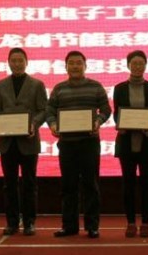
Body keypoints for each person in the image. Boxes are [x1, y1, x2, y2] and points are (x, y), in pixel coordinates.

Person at [46, 50, 111, 239]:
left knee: (91, 184)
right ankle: (69, 226)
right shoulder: (59, 89)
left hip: (89, 143)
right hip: (67, 144)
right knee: (68, 186)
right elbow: (49, 111)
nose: (75, 66)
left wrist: (98, 121)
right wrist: (53, 124)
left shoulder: (96, 86)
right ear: (66, 67)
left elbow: (106, 109)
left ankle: (92, 226)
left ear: (85, 65)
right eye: (72, 63)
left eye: (79, 63)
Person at [0, 48, 48, 236]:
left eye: (20, 60)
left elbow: (43, 110)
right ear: (8, 63)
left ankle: (30, 222)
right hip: (7, 142)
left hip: (28, 141)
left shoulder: (37, 84)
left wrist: (33, 124)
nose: (17, 64)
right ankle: (12, 222)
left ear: (26, 62)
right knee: (9, 184)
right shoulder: (0, 85)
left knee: (29, 184)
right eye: (13, 60)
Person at [112, 50, 148, 238]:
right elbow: (117, 113)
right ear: (128, 65)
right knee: (128, 184)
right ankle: (131, 222)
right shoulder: (119, 88)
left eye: (141, 63)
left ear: (146, 66)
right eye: (134, 63)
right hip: (126, 141)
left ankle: (146, 222)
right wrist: (120, 124)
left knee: (147, 183)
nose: (137, 66)